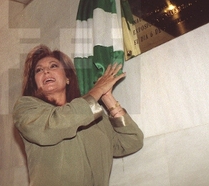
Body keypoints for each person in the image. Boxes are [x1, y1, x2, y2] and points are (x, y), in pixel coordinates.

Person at [13, 45, 144, 186]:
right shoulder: (26, 108)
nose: (46, 71)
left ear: (68, 78)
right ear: (35, 83)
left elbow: (131, 141)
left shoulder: (95, 116)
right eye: (39, 70)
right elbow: (54, 124)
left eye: (53, 66)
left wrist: (107, 97)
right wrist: (97, 90)